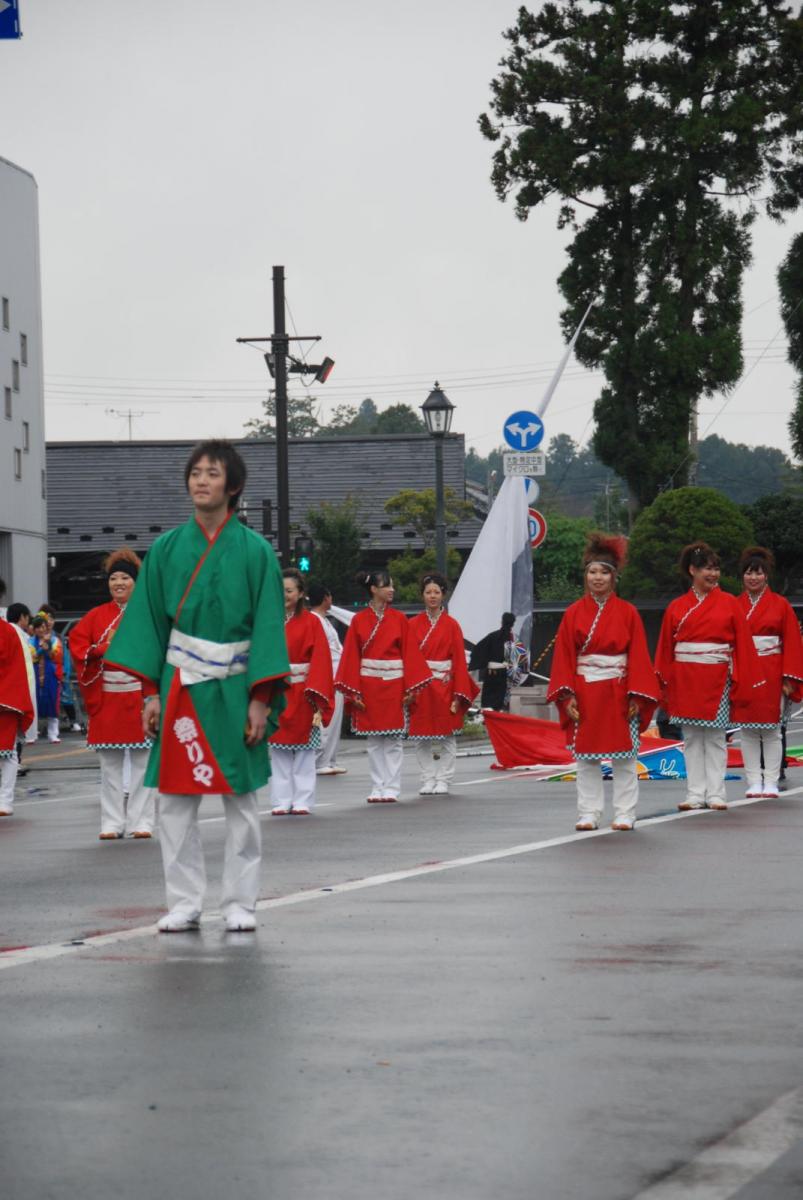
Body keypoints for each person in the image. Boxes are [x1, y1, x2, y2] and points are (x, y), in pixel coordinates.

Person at [106, 439, 289, 933]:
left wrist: (260, 699)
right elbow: (148, 626)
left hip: (235, 687)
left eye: (212, 473)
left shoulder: (255, 552)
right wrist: (150, 693)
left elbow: (270, 626)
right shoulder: (166, 549)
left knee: (242, 803)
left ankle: (239, 903)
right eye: (195, 473)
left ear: (232, 486)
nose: (201, 481)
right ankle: (184, 901)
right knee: (175, 803)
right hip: (180, 686)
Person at [547, 533, 659, 832]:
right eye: (592, 572)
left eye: (604, 572)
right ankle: (589, 812)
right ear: (586, 575)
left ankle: (625, 812)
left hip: (620, 691)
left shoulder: (628, 613)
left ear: (614, 577)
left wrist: (637, 695)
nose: (597, 578)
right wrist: (566, 695)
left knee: (625, 757)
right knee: (586, 758)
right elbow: (564, 658)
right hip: (584, 691)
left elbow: (637, 656)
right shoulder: (572, 614)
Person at [655, 541, 762, 814]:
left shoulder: (729, 603)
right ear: (692, 570)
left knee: (715, 737)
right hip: (685, 676)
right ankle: (694, 793)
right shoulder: (677, 607)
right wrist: (664, 681)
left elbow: (744, 644)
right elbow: (666, 648)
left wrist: (745, 677)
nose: (713, 575)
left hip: (717, 676)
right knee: (691, 737)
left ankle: (715, 792)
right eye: (706, 569)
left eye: (716, 569)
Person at [69, 547, 156, 839]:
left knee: (143, 763)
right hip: (106, 695)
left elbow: (157, 652)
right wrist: (104, 649)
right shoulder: (96, 616)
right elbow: (78, 647)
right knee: (110, 765)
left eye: (125, 578)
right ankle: (111, 821)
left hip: (138, 695)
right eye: (113, 578)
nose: (118, 583)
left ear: (135, 582)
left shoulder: (148, 614)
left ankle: (142, 821)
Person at [335, 569, 431, 803]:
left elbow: (410, 653)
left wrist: (411, 688)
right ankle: (377, 785)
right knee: (374, 740)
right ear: (373, 590)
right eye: (387, 586)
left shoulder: (399, 619)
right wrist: (353, 690)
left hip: (395, 685)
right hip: (368, 685)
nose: (392, 590)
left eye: (392, 586)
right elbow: (351, 656)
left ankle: (392, 786)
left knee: (394, 739)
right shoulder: (359, 620)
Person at [731, 546, 803, 799]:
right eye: (749, 573)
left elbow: (793, 643)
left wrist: (789, 677)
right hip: (745, 670)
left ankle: (771, 780)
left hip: (772, 670)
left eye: (758, 573)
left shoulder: (781, 605)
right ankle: (753, 780)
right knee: (748, 730)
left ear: (767, 576)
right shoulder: (734, 605)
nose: (753, 578)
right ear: (743, 576)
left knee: (772, 730)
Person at [269, 569, 334, 816]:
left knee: (305, 750)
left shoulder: (312, 622)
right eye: (281, 590)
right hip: (277, 689)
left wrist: (316, 694)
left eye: (289, 591)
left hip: (305, 691)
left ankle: (303, 799)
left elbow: (321, 659)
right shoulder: (268, 619)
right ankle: (280, 799)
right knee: (278, 749)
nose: (284, 595)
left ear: (301, 594)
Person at [407, 572, 478, 795]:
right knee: (421, 737)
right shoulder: (412, 624)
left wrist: (459, 691)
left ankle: (444, 778)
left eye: (437, 592)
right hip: (421, 687)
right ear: (422, 596)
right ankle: (427, 778)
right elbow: (408, 657)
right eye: (428, 592)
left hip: (445, 685)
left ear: (443, 595)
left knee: (447, 735)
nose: (432, 596)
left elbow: (458, 659)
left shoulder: (451, 625)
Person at [0, 597, 36, 817]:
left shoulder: (8, 632)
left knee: (8, 752)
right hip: (9, 697)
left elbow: (19, 669)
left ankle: (5, 799)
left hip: (6, 699)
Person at [308, 582, 347, 776]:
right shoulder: (314, 620)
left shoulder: (325, 620)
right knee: (326, 720)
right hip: (327, 675)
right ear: (325, 598)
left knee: (336, 720)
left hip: (337, 674)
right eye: (330, 596)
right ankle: (319, 760)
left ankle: (330, 759)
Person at [469, 613, 528, 711]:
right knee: (501, 704)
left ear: (501, 622)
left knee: (488, 702)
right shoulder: (515, 640)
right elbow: (522, 660)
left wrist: (483, 662)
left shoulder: (492, 636)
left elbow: (477, 649)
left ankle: (488, 721)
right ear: (513, 624)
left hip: (490, 673)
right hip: (506, 675)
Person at [29, 612, 63, 743]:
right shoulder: (30, 641)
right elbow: (31, 657)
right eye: (38, 627)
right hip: (35, 674)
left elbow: (57, 656)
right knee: (34, 702)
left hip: (50, 674)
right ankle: (31, 735)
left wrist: (47, 649)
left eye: (43, 627)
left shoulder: (55, 640)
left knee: (52, 702)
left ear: (46, 627)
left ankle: (53, 734)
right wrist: (40, 650)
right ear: (34, 629)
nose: (40, 630)